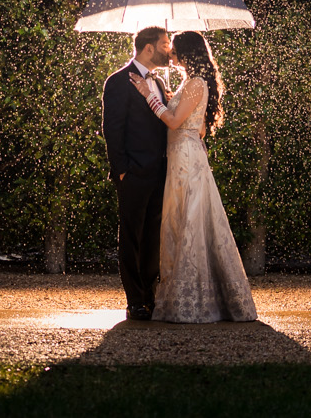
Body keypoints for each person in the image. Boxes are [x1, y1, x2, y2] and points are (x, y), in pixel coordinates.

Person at [128, 30, 257, 323]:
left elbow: (174, 122)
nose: (170, 56)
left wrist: (150, 96)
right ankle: (178, 298)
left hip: (186, 161)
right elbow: (192, 122)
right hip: (178, 159)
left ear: (186, 54)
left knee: (189, 222)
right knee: (176, 222)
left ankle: (195, 302)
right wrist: (169, 97)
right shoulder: (189, 84)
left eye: (174, 52)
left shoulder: (197, 84)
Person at [101, 26, 173, 319]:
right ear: (148, 48)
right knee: (131, 237)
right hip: (132, 175)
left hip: (161, 173)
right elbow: (112, 130)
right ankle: (134, 301)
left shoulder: (160, 81)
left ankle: (149, 295)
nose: (169, 49)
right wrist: (121, 172)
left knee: (153, 237)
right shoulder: (117, 81)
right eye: (165, 44)